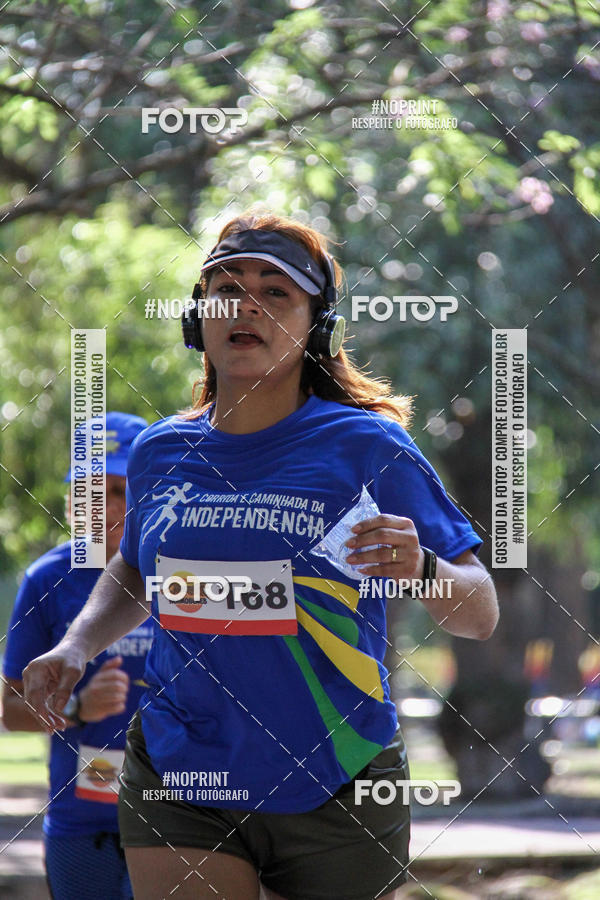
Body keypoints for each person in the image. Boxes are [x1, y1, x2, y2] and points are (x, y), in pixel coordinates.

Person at [23, 214, 499, 900]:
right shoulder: (161, 451)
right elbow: (132, 567)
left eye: (276, 293)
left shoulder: (367, 446)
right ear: (198, 320)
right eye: (225, 288)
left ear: (317, 325)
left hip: (338, 777)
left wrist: (424, 567)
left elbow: (478, 612)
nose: (245, 305)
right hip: (180, 770)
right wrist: (75, 645)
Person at [3, 412, 152, 900]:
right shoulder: (46, 580)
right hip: (81, 822)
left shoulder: (182, 576)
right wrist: (77, 708)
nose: (104, 508)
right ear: (70, 500)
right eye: (89, 490)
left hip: (175, 818)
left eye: (118, 490)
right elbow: (10, 710)